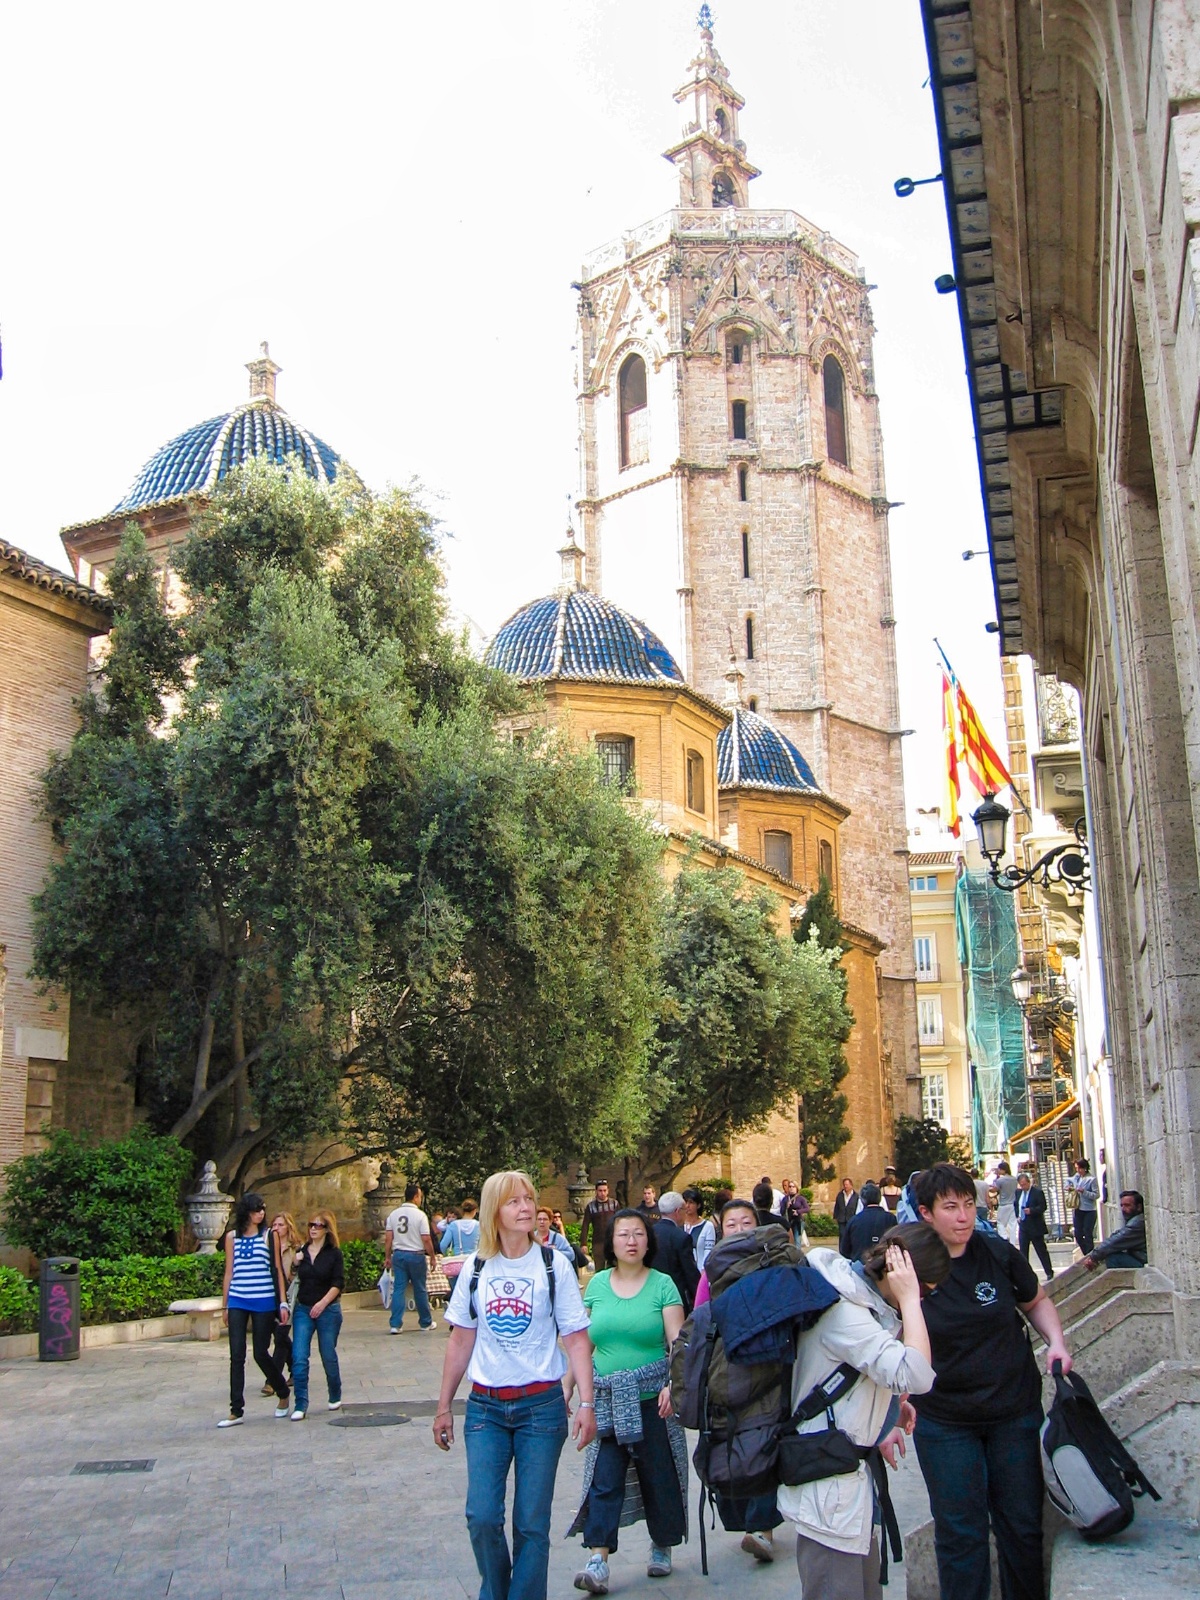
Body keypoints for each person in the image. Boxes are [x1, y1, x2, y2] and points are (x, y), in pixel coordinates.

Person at [911, 1163, 1072, 1600]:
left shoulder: (997, 1252)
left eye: (968, 1204)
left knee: (1021, 1527)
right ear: (926, 1213)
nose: (963, 1216)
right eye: (950, 1207)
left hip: (1013, 1414)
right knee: (960, 1535)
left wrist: (1055, 1342)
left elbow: (1035, 1301)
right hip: (945, 1422)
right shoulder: (907, 1267)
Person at [434, 1170, 595, 1600]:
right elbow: (461, 1338)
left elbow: (576, 1338)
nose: (526, 1208)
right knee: (482, 1516)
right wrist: (444, 1406)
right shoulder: (476, 1267)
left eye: (529, 1199)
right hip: (485, 1408)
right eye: (514, 1201)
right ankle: (497, 1590)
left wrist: (587, 1404)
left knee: (530, 1523)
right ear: (494, 1211)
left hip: (540, 1408)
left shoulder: (552, 1264)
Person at [779, 1223, 950, 1598]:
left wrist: (887, 1415)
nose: (926, 1297)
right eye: (926, 1288)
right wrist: (909, 1300)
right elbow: (917, 1374)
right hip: (829, 1493)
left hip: (849, 1486)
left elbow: (862, 1379)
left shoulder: (865, 1304)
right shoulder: (846, 1309)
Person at [570, 1208, 687, 1592]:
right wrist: (568, 1386)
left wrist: (675, 1382)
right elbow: (582, 1342)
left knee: (660, 1475)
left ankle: (663, 1544)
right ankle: (598, 1559)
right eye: (623, 1235)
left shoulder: (663, 1285)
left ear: (648, 1241)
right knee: (604, 1476)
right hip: (607, 1398)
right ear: (612, 1242)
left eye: (638, 1234)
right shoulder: (598, 1285)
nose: (631, 1241)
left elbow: (677, 1342)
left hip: (654, 1398)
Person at [692, 1199, 786, 1563]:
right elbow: (699, 1319)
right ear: (721, 1230)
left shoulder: (772, 1262)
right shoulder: (712, 1270)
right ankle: (749, 1519)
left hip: (769, 1365)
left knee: (766, 1439)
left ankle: (762, 1528)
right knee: (736, 1444)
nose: (740, 1229)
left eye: (747, 1221)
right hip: (727, 1369)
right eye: (732, 1224)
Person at [218, 1192, 290, 1427]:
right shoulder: (232, 1237)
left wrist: (282, 1302)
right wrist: (225, 1303)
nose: (261, 1213)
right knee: (236, 1354)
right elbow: (229, 1271)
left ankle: (282, 1390)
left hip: (264, 1299)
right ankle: (236, 1410)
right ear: (246, 1212)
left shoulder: (270, 1236)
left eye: (263, 1209)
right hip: (239, 1298)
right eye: (257, 1209)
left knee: (260, 1352)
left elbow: (277, 1269)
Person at [290, 1209, 344, 1421]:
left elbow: (338, 1283)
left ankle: (335, 1392)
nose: (312, 1229)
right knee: (299, 1356)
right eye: (310, 1225)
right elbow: (291, 1278)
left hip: (327, 1309)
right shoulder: (302, 1251)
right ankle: (300, 1403)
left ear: (326, 1229)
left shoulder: (334, 1254)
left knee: (327, 1353)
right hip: (303, 1308)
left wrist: (322, 1304)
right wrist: (294, 1264)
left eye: (317, 1226)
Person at [385, 1180, 438, 1334]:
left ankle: (395, 1324)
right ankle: (425, 1322)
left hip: (399, 1254)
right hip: (416, 1255)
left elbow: (388, 1238)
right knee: (420, 1289)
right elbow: (426, 1238)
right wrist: (432, 1256)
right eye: (419, 1196)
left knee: (399, 1289)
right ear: (415, 1197)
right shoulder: (420, 1216)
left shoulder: (393, 1215)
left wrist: (387, 1256)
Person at [260, 1211, 302, 1395]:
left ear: (289, 1227)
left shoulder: (296, 1248)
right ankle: (294, 1369)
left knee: (280, 1335)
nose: (277, 1228)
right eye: (274, 1225)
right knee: (281, 1335)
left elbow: (297, 1275)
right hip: (271, 1294)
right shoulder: (266, 1246)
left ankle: (272, 1380)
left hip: (290, 1295)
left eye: (281, 1225)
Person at [650, 1192, 700, 1313]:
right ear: (677, 1211)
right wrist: (699, 1297)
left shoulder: (648, 1233)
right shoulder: (681, 1237)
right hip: (675, 1295)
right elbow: (690, 1272)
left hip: (650, 1292)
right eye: (684, 1209)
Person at [1083, 1190, 1147, 1270]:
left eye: (1127, 1205)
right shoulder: (1134, 1220)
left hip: (1142, 1262)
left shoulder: (1137, 1223)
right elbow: (1116, 1236)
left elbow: (1116, 1242)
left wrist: (1093, 1256)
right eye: (1122, 1206)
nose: (1123, 1209)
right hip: (1137, 1258)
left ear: (1139, 1207)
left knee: (1113, 1258)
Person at [840, 1182, 894, 1261]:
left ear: (862, 1200)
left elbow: (844, 1250)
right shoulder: (891, 1219)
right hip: (884, 1265)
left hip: (860, 1267)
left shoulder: (854, 1221)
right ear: (879, 1198)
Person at [1015, 1172, 1053, 1282]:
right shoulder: (1018, 1193)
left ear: (1029, 1182)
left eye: (1024, 1184)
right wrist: (1017, 1215)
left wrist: (1031, 1210)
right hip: (1023, 1225)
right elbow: (1015, 1204)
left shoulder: (1037, 1192)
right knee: (1023, 1251)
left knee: (1041, 1250)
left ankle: (1048, 1271)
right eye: (1021, 1185)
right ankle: (1025, 1275)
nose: (1023, 1187)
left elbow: (1043, 1206)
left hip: (1035, 1225)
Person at [581, 1179, 619, 1267]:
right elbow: (585, 1225)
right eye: (600, 1191)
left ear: (608, 1191)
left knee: (614, 1266)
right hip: (598, 1242)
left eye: (604, 1190)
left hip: (613, 1241)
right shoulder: (591, 1207)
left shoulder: (614, 1204)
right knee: (599, 1267)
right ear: (596, 1191)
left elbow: (620, 1221)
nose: (602, 1193)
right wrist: (584, 1243)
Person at [1066, 1158, 1100, 1256]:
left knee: (1087, 1232)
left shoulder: (1091, 1179)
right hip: (1078, 1208)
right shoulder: (1077, 1177)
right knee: (1078, 1233)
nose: (1078, 1170)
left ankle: (1090, 1254)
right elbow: (1068, 1181)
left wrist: (1084, 1192)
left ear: (1085, 1168)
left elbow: (1096, 1195)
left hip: (1089, 1209)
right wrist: (1069, 1188)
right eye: (1076, 1168)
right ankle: (1086, 1253)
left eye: (1079, 1168)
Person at [680, 1188, 716, 1272]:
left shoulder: (707, 1226)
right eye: (685, 1202)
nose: (687, 1206)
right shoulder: (678, 1225)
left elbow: (708, 1252)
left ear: (698, 1205)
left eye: (691, 1202)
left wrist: (703, 1271)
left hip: (700, 1272)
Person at [992, 1161, 1019, 1245]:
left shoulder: (1000, 1180)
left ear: (1003, 1170)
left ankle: (1003, 1240)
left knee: (1000, 1223)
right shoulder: (1014, 1179)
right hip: (1013, 1204)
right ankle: (1013, 1243)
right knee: (1012, 1225)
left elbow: (994, 1190)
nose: (999, 1171)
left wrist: (989, 1187)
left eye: (999, 1169)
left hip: (1004, 1204)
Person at [780, 1177, 810, 1247]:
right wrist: (786, 1206)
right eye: (790, 1186)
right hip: (789, 1222)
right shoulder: (785, 1198)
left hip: (798, 1221)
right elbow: (781, 1211)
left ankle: (798, 1256)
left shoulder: (800, 1198)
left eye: (793, 1187)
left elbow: (807, 1208)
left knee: (797, 1240)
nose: (791, 1188)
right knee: (790, 1241)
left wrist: (798, 1211)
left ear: (796, 1188)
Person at [833, 1177, 858, 1244]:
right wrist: (835, 1217)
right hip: (842, 1219)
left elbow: (857, 1207)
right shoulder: (840, 1195)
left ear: (851, 1185)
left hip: (852, 1219)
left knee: (851, 1235)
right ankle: (842, 1250)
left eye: (847, 1184)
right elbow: (837, 1206)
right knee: (842, 1235)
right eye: (844, 1184)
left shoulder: (856, 1196)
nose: (845, 1186)